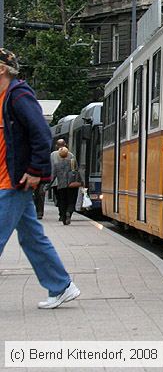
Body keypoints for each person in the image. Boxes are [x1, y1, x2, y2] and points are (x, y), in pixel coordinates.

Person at [0, 48, 80, 309]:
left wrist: (35, 171)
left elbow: (41, 134)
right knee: (32, 238)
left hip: (12, 182)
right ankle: (61, 286)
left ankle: (61, 285)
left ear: (2, 69)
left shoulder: (18, 95)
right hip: (9, 180)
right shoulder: (3, 98)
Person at [51, 144, 81, 225]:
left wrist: (48, 185)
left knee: (62, 201)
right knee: (71, 201)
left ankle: (63, 217)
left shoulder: (57, 164)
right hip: (72, 185)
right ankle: (69, 213)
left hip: (61, 186)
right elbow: (77, 171)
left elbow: (53, 175)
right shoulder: (72, 161)